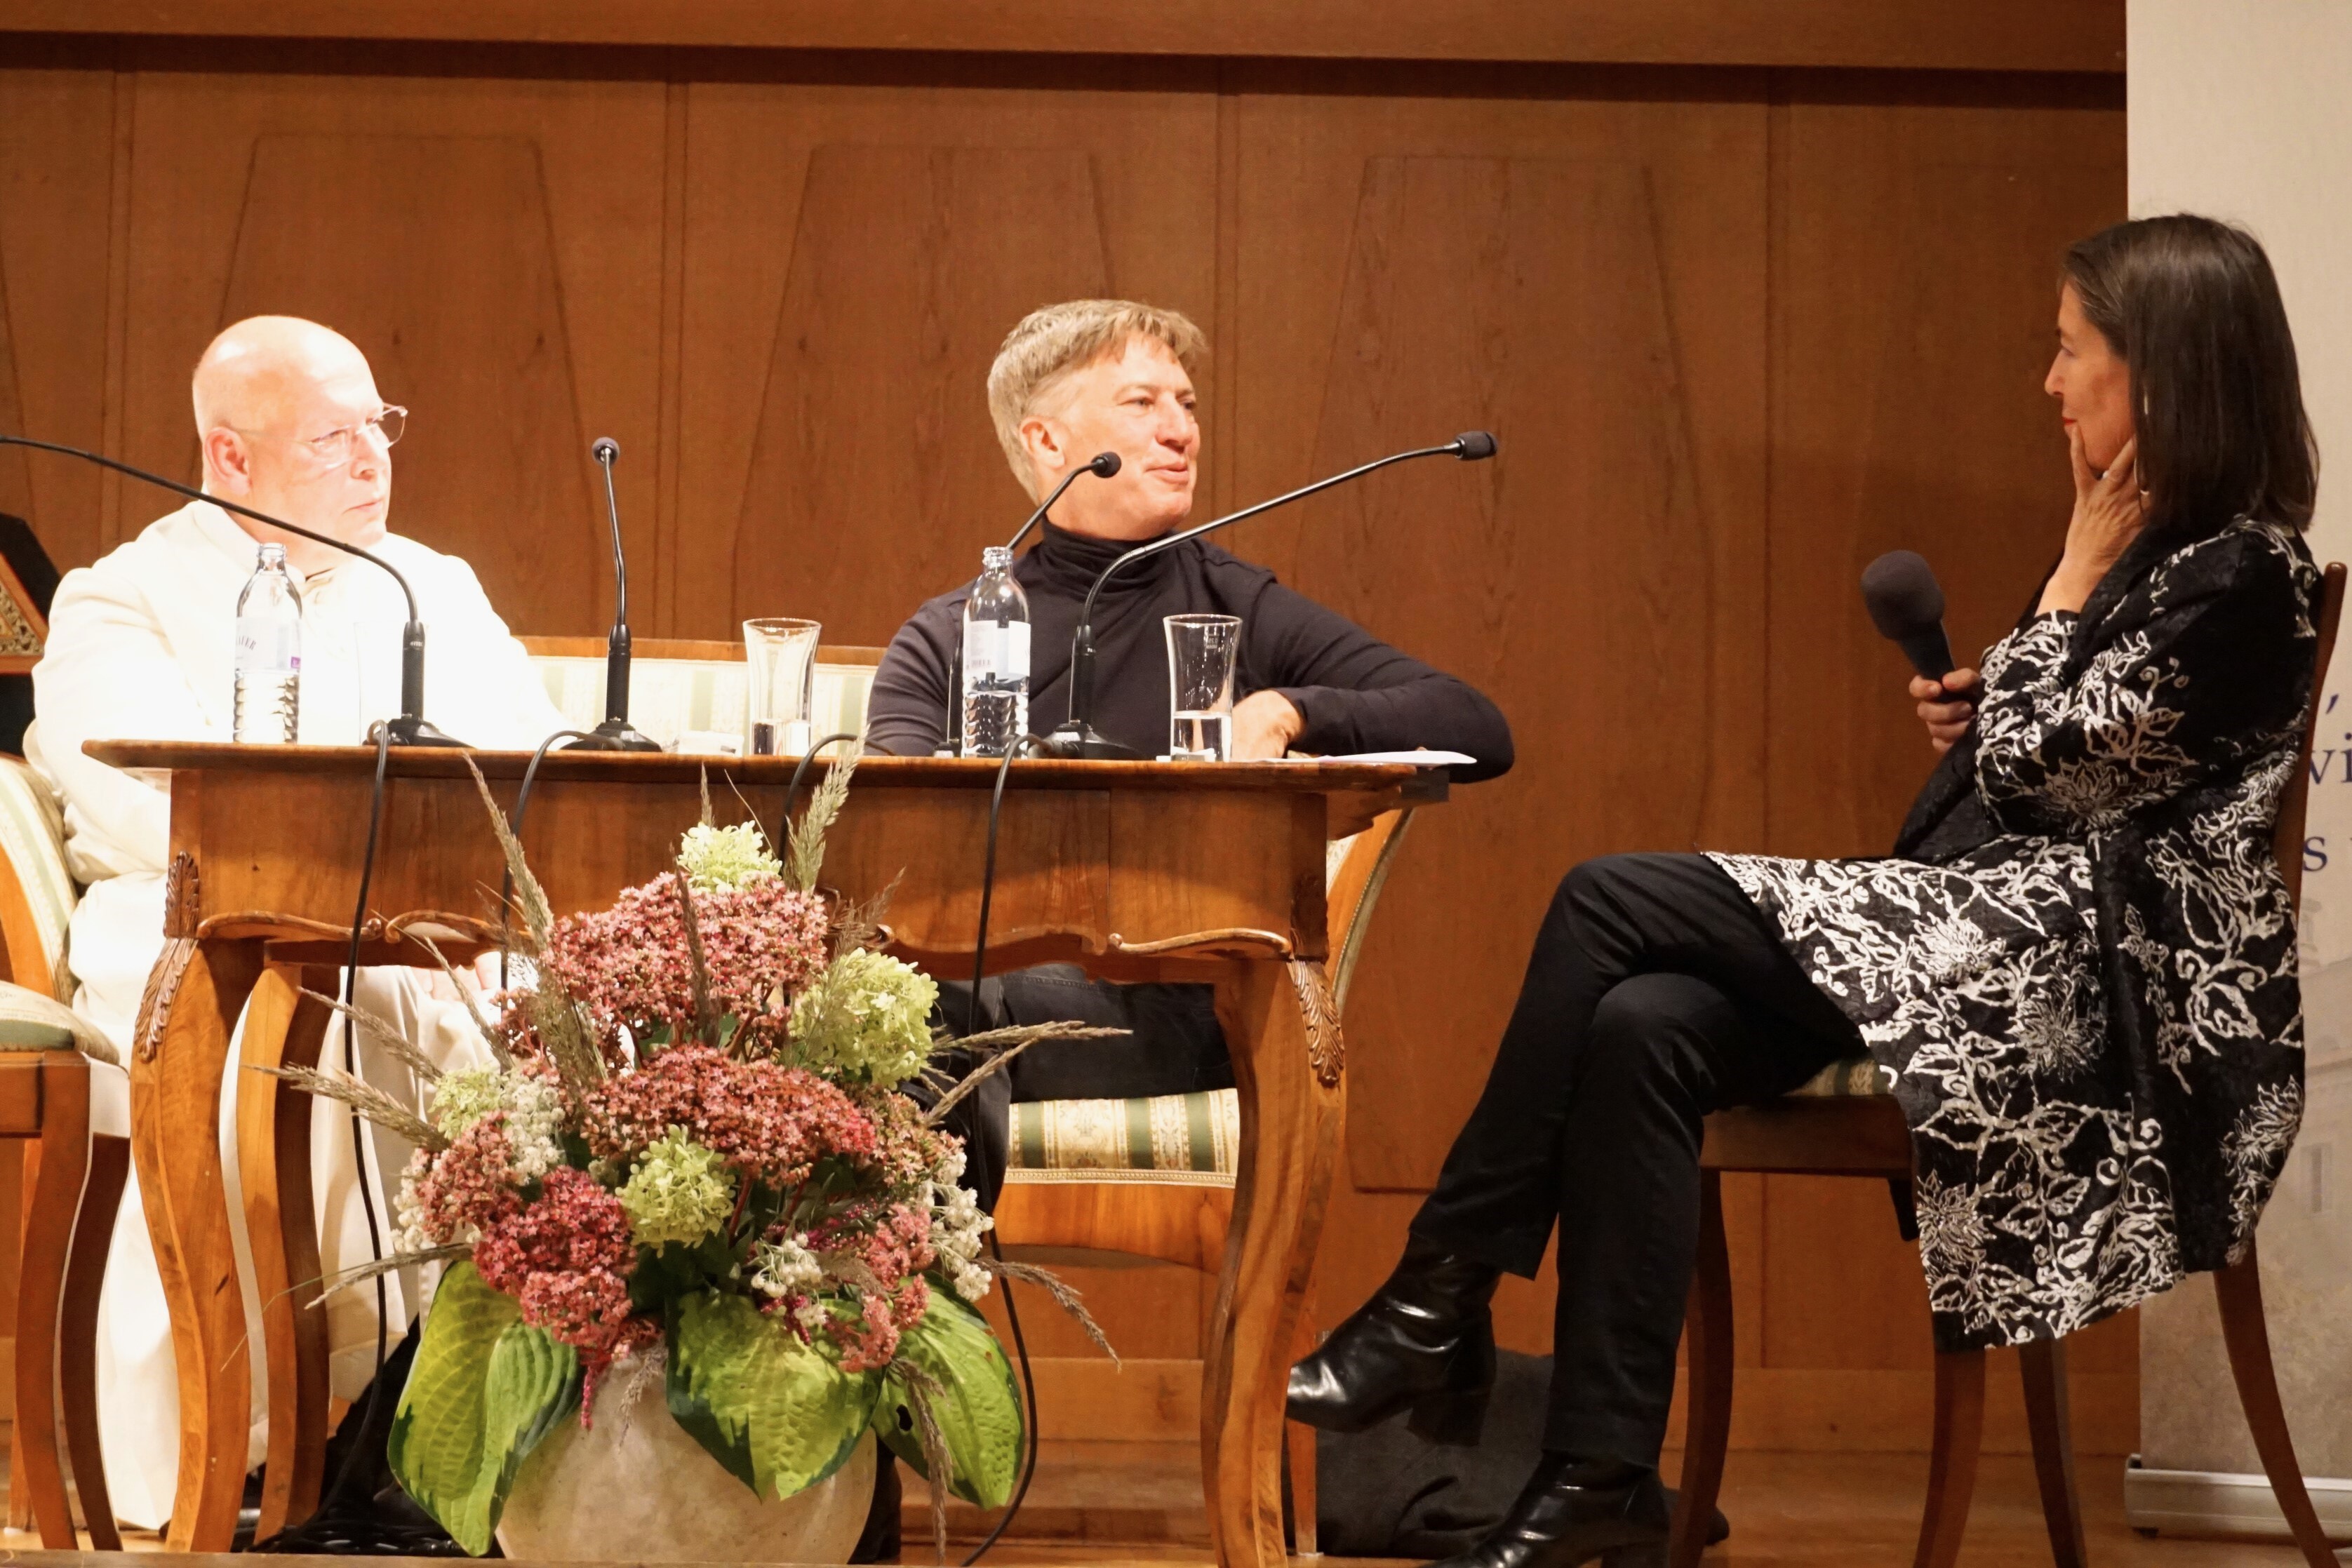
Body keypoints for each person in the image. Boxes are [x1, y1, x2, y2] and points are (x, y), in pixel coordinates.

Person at [1288, 213, 2323, 1568]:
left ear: (2163, 375)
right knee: (1637, 1025)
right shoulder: (2151, 553)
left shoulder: (2247, 570)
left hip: (2084, 990)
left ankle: (1438, 1295)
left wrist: (2058, 593)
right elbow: (2046, 758)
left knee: (1607, 898)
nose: (2050, 384)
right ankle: (1596, 1468)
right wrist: (2013, 674)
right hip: (1990, 942)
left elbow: (2039, 781)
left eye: (2072, 354)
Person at [27, 316, 568, 1532]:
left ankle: (504, 1443)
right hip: (193, 931)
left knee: (589, 1014)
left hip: (435, 927)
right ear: (228, 454)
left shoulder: (432, 584)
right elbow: (141, 808)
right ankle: (297, 1442)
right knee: (337, 1009)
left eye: (379, 424)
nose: (373, 458)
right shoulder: (123, 597)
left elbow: (531, 765)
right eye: (331, 437)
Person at [867, 299, 1513, 1125]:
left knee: (921, 1014)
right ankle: (940, 1252)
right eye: (1142, 404)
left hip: (1178, 1003)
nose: (1180, 430)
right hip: (979, 981)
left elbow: (1474, 723)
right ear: (1048, 443)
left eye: (1187, 404)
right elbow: (894, 845)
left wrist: (1289, 710)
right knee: (891, 1001)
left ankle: (930, 1257)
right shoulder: (952, 637)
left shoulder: (1236, 605)